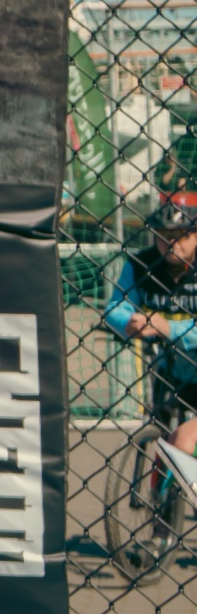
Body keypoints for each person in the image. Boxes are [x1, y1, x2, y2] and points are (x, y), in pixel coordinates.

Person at [106, 193, 197, 488]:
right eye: (163, 236)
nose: (172, 243)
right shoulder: (140, 264)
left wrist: (167, 328)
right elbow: (115, 308)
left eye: (182, 236)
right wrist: (128, 322)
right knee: (162, 426)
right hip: (169, 369)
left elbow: (167, 327)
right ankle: (163, 502)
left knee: (186, 439)